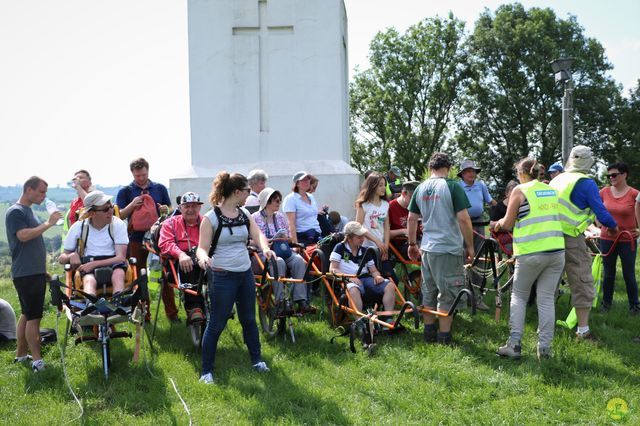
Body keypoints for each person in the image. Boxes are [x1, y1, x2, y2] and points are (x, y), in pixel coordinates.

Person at [196, 172, 274, 384]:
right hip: (222, 277)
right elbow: (201, 248)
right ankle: (206, 372)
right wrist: (203, 259)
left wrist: (265, 248)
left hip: (245, 274)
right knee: (216, 324)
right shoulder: (210, 218)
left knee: (249, 319)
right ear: (237, 192)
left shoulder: (244, 214)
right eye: (248, 191)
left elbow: (257, 235)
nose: (250, 194)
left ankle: (257, 361)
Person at [494, 158, 565, 360]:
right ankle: (545, 350)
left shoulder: (520, 190)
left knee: (519, 296)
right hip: (556, 251)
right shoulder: (550, 189)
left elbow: (508, 223)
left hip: (531, 252)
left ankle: (514, 345)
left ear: (521, 173)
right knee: (546, 299)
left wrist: (497, 224)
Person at [549, 145, 619, 340]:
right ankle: (583, 330)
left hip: (547, 237)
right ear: (589, 162)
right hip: (570, 238)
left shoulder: (557, 180)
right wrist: (614, 227)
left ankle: (545, 329)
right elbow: (601, 212)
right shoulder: (585, 183)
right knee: (582, 281)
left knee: (548, 283)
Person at [407, 153, 474, 345]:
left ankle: (429, 333)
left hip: (427, 248)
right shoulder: (453, 186)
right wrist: (470, 246)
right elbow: (463, 218)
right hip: (448, 248)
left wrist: (412, 244)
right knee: (449, 292)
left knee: (428, 290)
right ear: (449, 167)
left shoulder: (420, 188)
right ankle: (444, 337)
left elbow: (412, 219)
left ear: (430, 168)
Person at [5, 176, 62, 372]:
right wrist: (48, 223)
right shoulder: (15, 212)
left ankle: (21, 355)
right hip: (26, 274)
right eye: (41, 192)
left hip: (32, 272)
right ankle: (37, 361)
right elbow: (23, 236)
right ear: (29, 190)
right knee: (34, 318)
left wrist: (41, 270)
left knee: (27, 314)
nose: (44, 196)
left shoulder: (27, 211)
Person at [116, 158, 174, 320]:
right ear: (132, 173)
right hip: (135, 237)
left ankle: (172, 313)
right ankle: (143, 314)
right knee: (138, 277)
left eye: (143, 174)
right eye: (137, 175)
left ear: (148, 171)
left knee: (165, 274)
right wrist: (132, 205)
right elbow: (119, 216)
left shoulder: (159, 188)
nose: (141, 178)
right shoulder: (125, 191)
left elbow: (169, 210)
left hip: (158, 237)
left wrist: (165, 209)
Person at [252, 187, 310, 314]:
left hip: (283, 250)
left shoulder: (280, 217)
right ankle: (281, 301)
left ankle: (301, 300)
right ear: (266, 202)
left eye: (279, 200)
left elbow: (289, 237)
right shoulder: (254, 218)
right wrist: (266, 241)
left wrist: (285, 238)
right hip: (263, 254)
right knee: (278, 262)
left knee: (300, 261)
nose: (279, 202)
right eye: (275, 200)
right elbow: (247, 241)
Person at [59, 191, 129, 296]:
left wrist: (94, 264)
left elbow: (121, 258)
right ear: (91, 213)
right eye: (105, 209)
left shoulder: (118, 224)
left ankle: (118, 300)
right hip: (88, 262)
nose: (111, 211)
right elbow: (62, 258)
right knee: (89, 280)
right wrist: (71, 255)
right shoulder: (79, 227)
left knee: (118, 274)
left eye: (111, 206)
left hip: (113, 261)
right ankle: (91, 302)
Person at [158, 191, 207, 324]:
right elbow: (165, 243)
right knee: (189, 264)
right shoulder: (170, 223)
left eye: (194, 206)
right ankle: (194, 309)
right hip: (178, 262)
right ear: (180, 208)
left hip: (204, 257)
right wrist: (181, 254)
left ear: (200, 207)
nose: (190, 210)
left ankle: (220, 302)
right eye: (187, 206)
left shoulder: (206, 222)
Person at [329, 221, 396, 317]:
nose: (362, 239)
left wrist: (377, 276)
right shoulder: (340, 248)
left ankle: (388, 317)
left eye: (363, 236)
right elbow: (333, 269)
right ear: (349, 238)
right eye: (359, 237)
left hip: (365, 278)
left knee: (390, 285)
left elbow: (373, 270)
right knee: (354, 290)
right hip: (346, 280)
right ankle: (359, 322)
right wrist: (349, 278)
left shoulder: (365, 250)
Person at [598, 162, 640, 314]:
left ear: (625, 175)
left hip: (627, 239)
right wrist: (599, 224)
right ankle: (606, 305)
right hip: (607, 238)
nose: (611, 178)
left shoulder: (634, 194)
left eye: (614, 175)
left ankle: (634, 306)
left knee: (629, 273)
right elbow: (596, 211)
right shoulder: (604, 192)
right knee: (608, 273)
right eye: (609, 175)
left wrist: (639, 230)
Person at [458, 159, 497, 311]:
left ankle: (477, 297)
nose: (471, 174)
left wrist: (504, 210)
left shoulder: (481, 186)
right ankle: (463, 296)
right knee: (463, 259)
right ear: (462, 174)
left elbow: (491, 201)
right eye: (468, 171)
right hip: (462, 224)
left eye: (473, 171)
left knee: (479, 260)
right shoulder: (458, 187)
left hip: (480, 225)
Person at [355, 172, 395, 280]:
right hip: (366, 248)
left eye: (384, 185)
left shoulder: (386, 204)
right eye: (380, 185)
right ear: (372, 186)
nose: (383, 188)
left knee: (392, 278)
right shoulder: (363, 205)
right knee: (373, 278)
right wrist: (376, 240)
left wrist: (385, 246)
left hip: (381, 248)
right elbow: (358, 227)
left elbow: (387, 227)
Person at [283, 171, 322, 246]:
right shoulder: (291, 199)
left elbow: (314, 216)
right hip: (303, 236)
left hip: (317, 234)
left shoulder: (311, 197)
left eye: (308, 179)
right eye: (304, 180)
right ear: (297, 183)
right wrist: (295, 243)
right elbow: (291, 223)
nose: (307, 182)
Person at [388, 181, 420, 257]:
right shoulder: (390, 207)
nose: (416, 202)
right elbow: (384, 234)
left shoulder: (417, 207)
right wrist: (403, 231)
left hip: (419, 241)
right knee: (427, 254)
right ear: (403, 193)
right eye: (412, 199)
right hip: (402, 245)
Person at [489, 180, 518, 255]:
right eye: (512, 194)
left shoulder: (520, 205)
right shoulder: (498, 207)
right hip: (503, 237)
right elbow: (491, 225)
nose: (514, 196)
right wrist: (504, 223)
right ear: (506, 194)